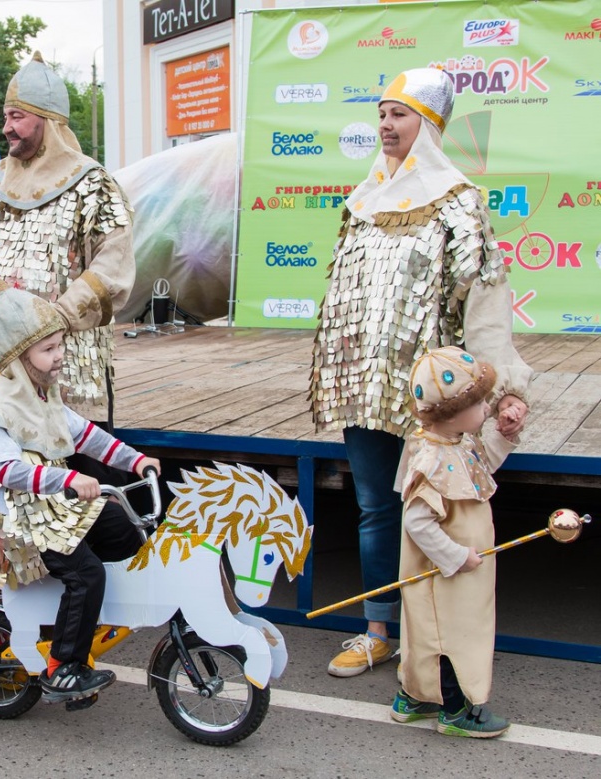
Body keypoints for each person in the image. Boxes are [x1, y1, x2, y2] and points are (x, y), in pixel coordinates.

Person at [308, 67, 532, 677]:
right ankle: (378, 630)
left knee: (435, 507)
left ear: (428, 126)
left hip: (432, 396)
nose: (385, 125)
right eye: (381, 113)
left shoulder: (460, 204)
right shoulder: (363, 201)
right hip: (366, 389)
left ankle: (429, 634)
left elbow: (485, 301)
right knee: (376, 506)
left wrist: (504, 388)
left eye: (399, 115)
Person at [0, 288, 159, 704]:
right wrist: (67, 481)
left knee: (125, 526)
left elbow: (86, 435)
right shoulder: (0, 408)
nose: (59, 356)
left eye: (60, 346)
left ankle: (80, 619)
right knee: (88, 573)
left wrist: (136, 460)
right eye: (48, 349)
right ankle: (63, 666)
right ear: (19, 356)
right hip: (15, 524)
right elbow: (6, 471)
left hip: (51, 512)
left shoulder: (44, 394)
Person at [0, 53, 135, 433]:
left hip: (75, 370)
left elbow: (113, 266)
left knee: (85, 484)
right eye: (6, 116)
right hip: (3, 374)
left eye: (17, 117)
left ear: (48, 121)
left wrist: (55, 319)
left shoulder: (92, 183)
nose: (6, 127)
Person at [390, 346, 518, 738]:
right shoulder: (430, 460)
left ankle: (416, 697)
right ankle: (455, 709)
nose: (487, 408)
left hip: (465, 571)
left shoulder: (459, 443)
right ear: (450, 412)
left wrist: (504, 432)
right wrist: (455, 557)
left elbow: (480, 472)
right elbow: (418, 522)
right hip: (448, 573)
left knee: (440, 631)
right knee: (450, 635)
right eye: (479, 402)